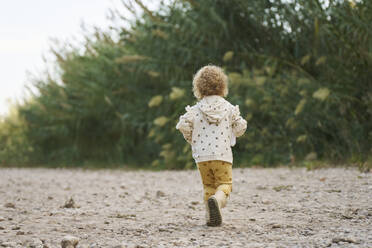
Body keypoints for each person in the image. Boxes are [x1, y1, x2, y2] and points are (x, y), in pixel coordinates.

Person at [176, 65, 247, 226]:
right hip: (222, 155)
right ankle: (218, 200)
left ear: (198, 87)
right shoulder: (228, 108)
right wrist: (234, 130)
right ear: (222, 86)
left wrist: (191, 139)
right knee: (225, 185)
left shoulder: (196, 109)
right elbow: (240, 127)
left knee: (208, 185)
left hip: (202, 157)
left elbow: (183, 125)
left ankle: (210, 217)